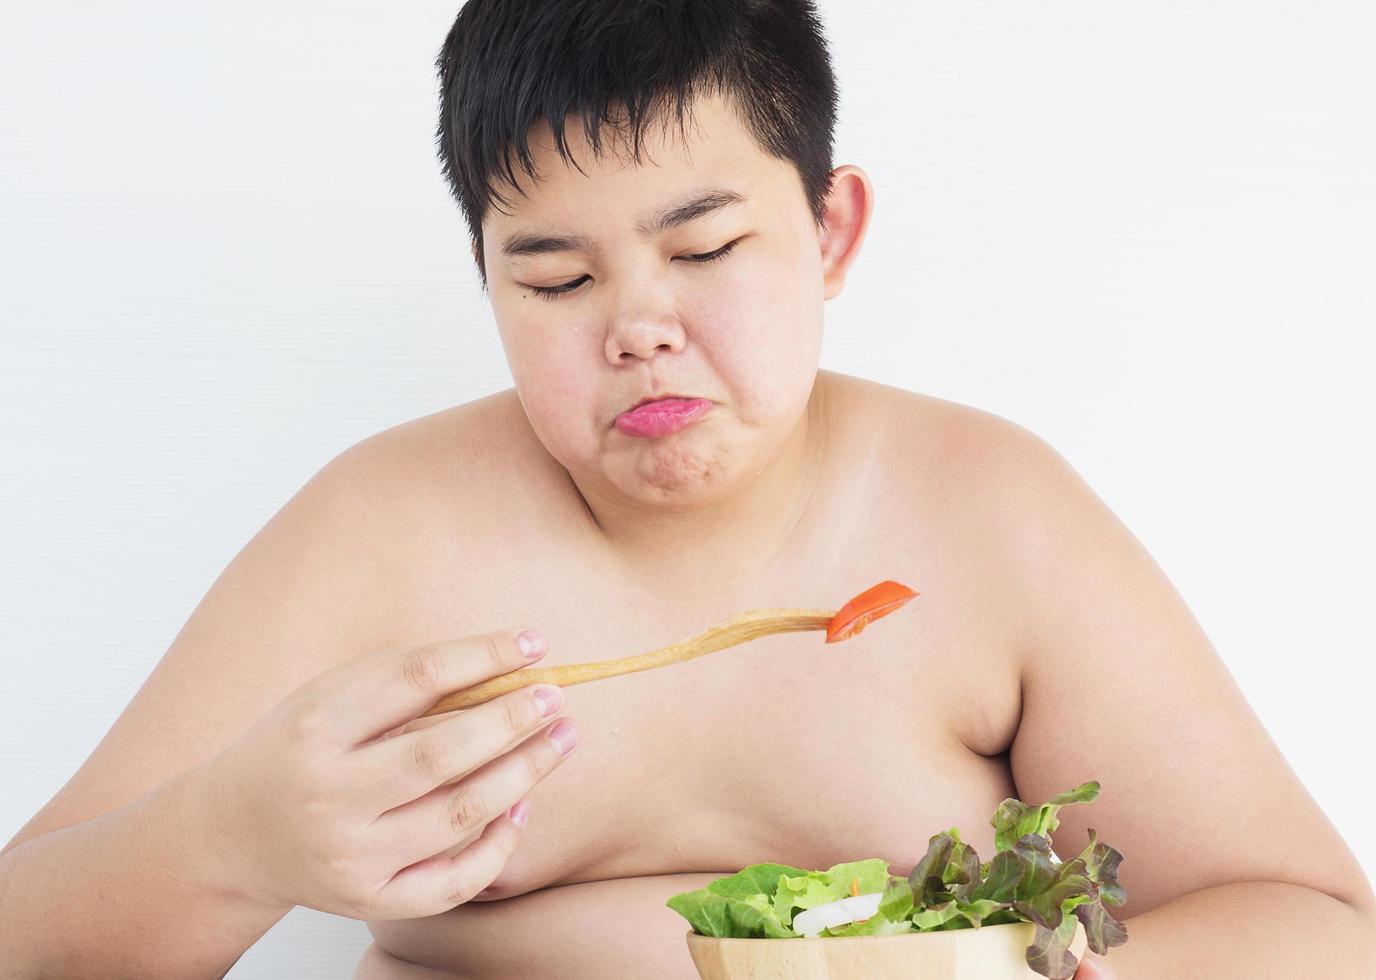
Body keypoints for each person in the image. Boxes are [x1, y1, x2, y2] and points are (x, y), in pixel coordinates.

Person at [3, 1, 1374, 977]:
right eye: (554, 278)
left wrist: (1063, 975)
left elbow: (1316, 928)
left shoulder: (989, 515)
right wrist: (233, 839)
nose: (637, 326)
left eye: (705, 247)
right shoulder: (383, 533)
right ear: (484, 278)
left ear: (831, 231)